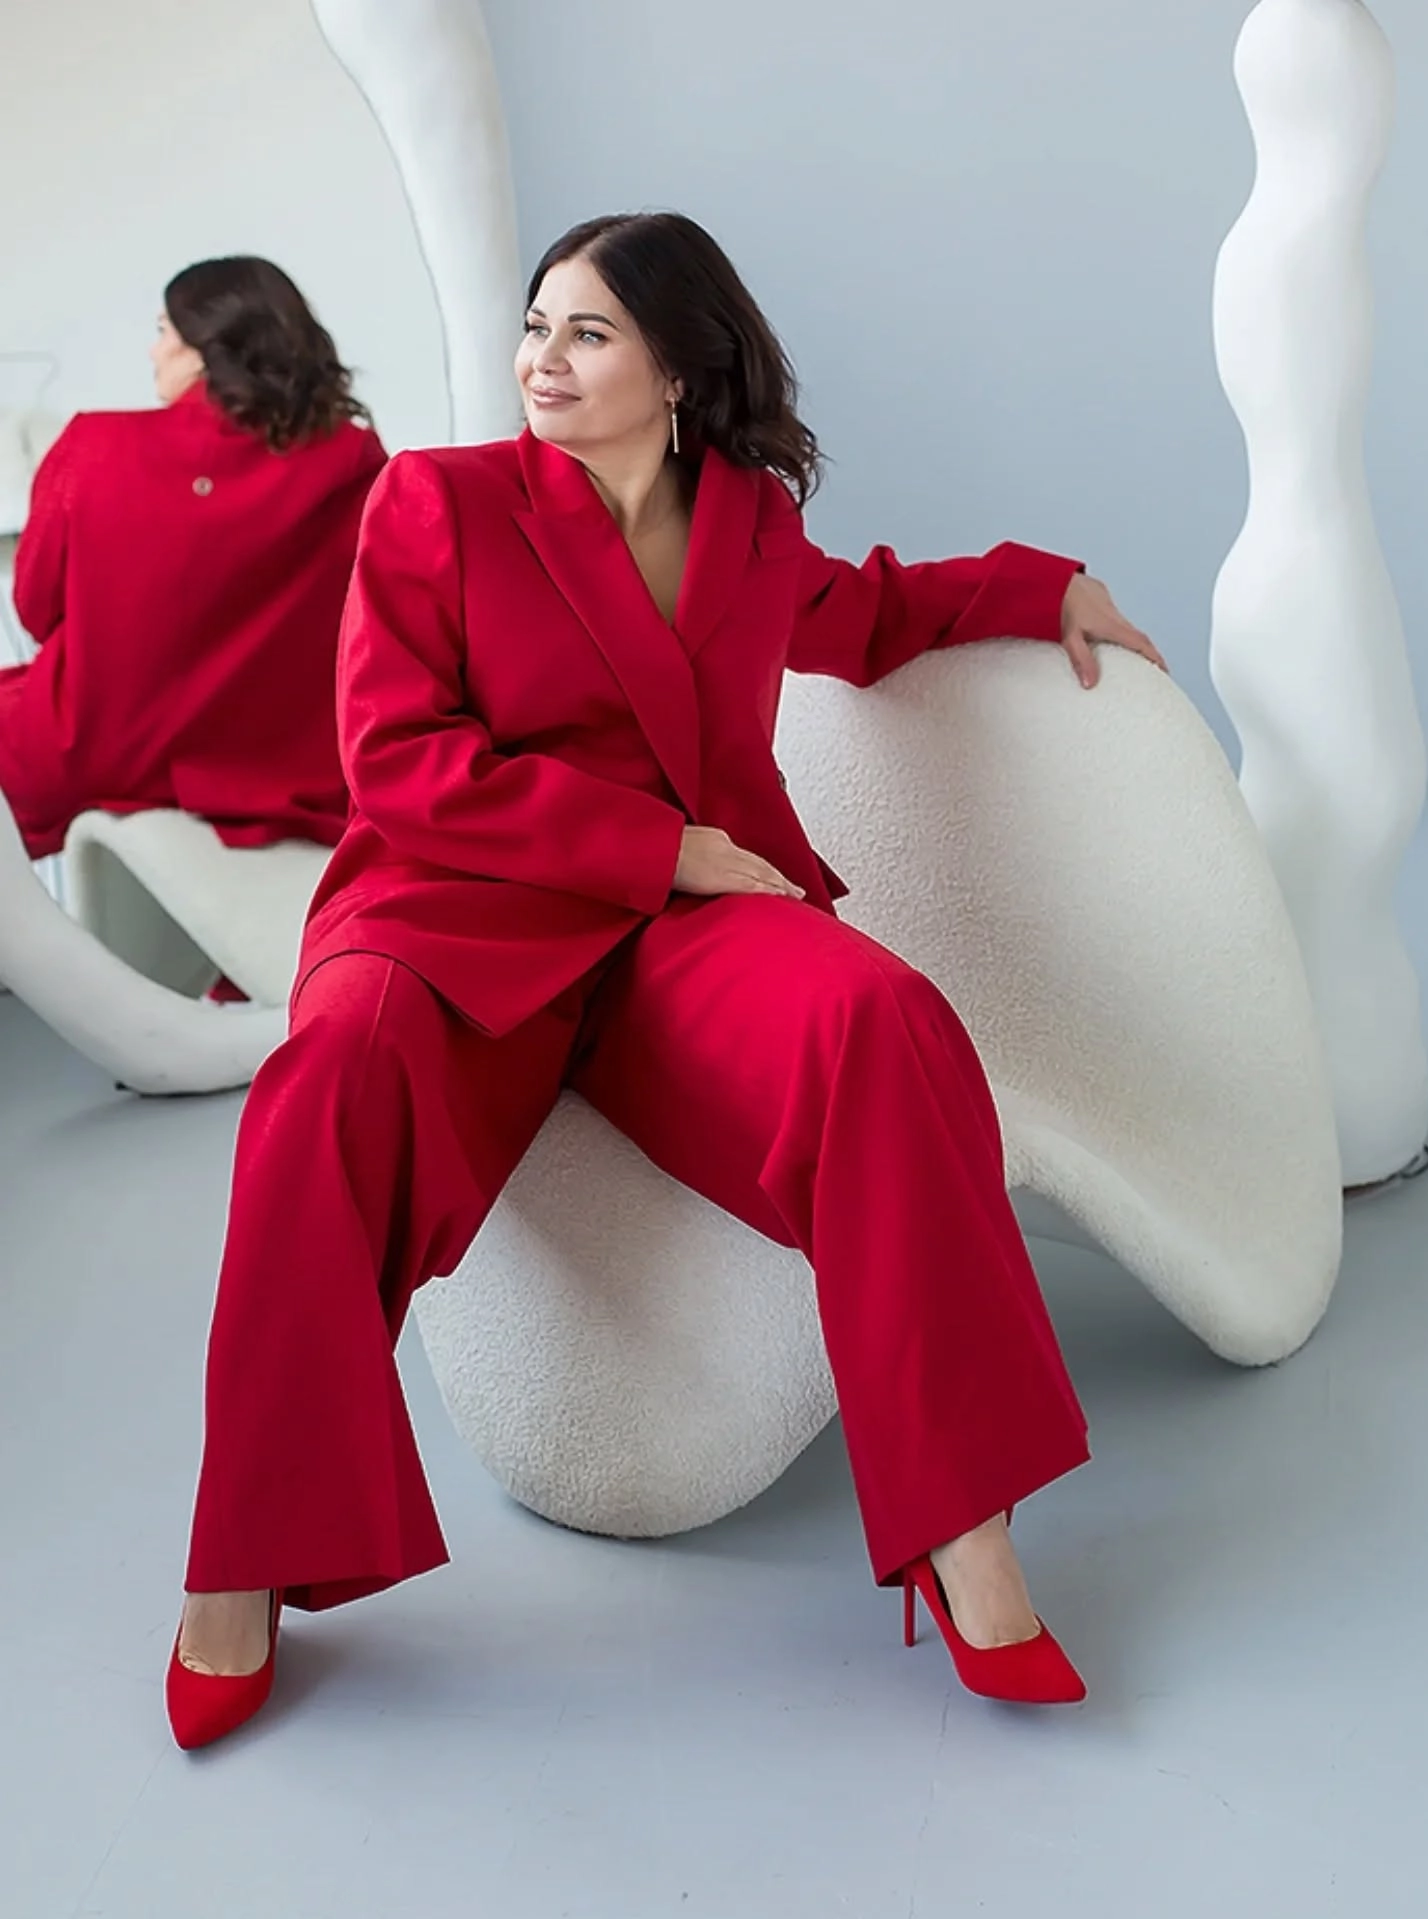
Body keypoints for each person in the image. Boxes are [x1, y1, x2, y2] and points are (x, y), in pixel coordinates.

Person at [167, 213, 1166, 1751]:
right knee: (327, 1081)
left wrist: (1048, 586)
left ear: (680, 370)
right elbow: (399, 761)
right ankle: (241, 1558)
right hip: (458, 904)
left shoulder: (747, 524)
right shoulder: (435, 501)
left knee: (882, 1017)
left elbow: (868, 611)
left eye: (588, 332)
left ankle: (967, 1533)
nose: (543, 358)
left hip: (674, 935)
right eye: (536, 324)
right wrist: (663, 844)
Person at [0, 256, 387, 863]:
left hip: (94, 746)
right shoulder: (356, 464)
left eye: (163, 331)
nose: (153, 351)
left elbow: (34, 608)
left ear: (206, 347)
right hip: (276, 765)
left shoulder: (94, 446)